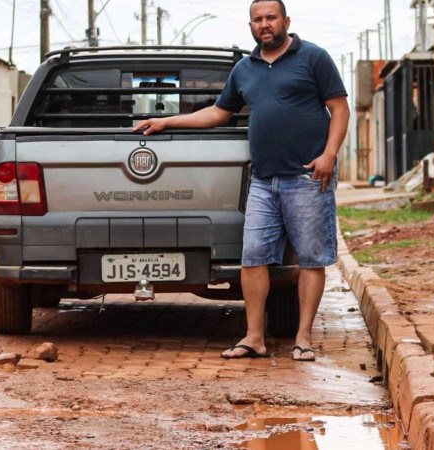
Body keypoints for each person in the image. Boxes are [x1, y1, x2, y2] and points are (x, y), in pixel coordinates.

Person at [133, 0, 350, 362]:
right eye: (258, 19)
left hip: (308, 176)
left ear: (285, 21)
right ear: (251, 25)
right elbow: (219, 112)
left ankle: (304, 338)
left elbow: (339, 108)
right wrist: (168, 122)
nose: (265, 25)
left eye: (271, 18)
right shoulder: (244, 69)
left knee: (311, 260)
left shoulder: (313, 57)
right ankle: (254, 338)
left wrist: (329, 154)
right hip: (264, 181)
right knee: (253, 258)